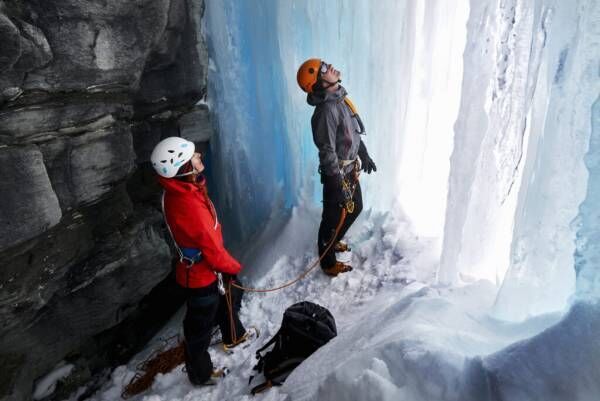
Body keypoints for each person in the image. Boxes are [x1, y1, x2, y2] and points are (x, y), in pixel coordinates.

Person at [150, 137, 255, 386]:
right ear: (184, 168)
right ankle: (200, 374)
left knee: (227, 299)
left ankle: (234, 336)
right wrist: (232, 268)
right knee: (199, 328)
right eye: (193, 156)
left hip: (203, 270)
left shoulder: (179, 192)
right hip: (202, 274)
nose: (199, 155)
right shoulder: (189, 206)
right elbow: (212, 248)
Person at [296, 58, 377, 277]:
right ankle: (327, 261)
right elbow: (327, 150)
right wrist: (335, 183)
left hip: (349, 171)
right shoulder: (325, 112)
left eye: (325, 64)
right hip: (338, 174)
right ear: (319, 83)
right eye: (323, 69)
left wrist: (364, 154)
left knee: (355, 207)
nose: (329, 67)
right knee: (331, 219)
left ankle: (333, 243)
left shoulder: (340, 99)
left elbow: (352, 133)